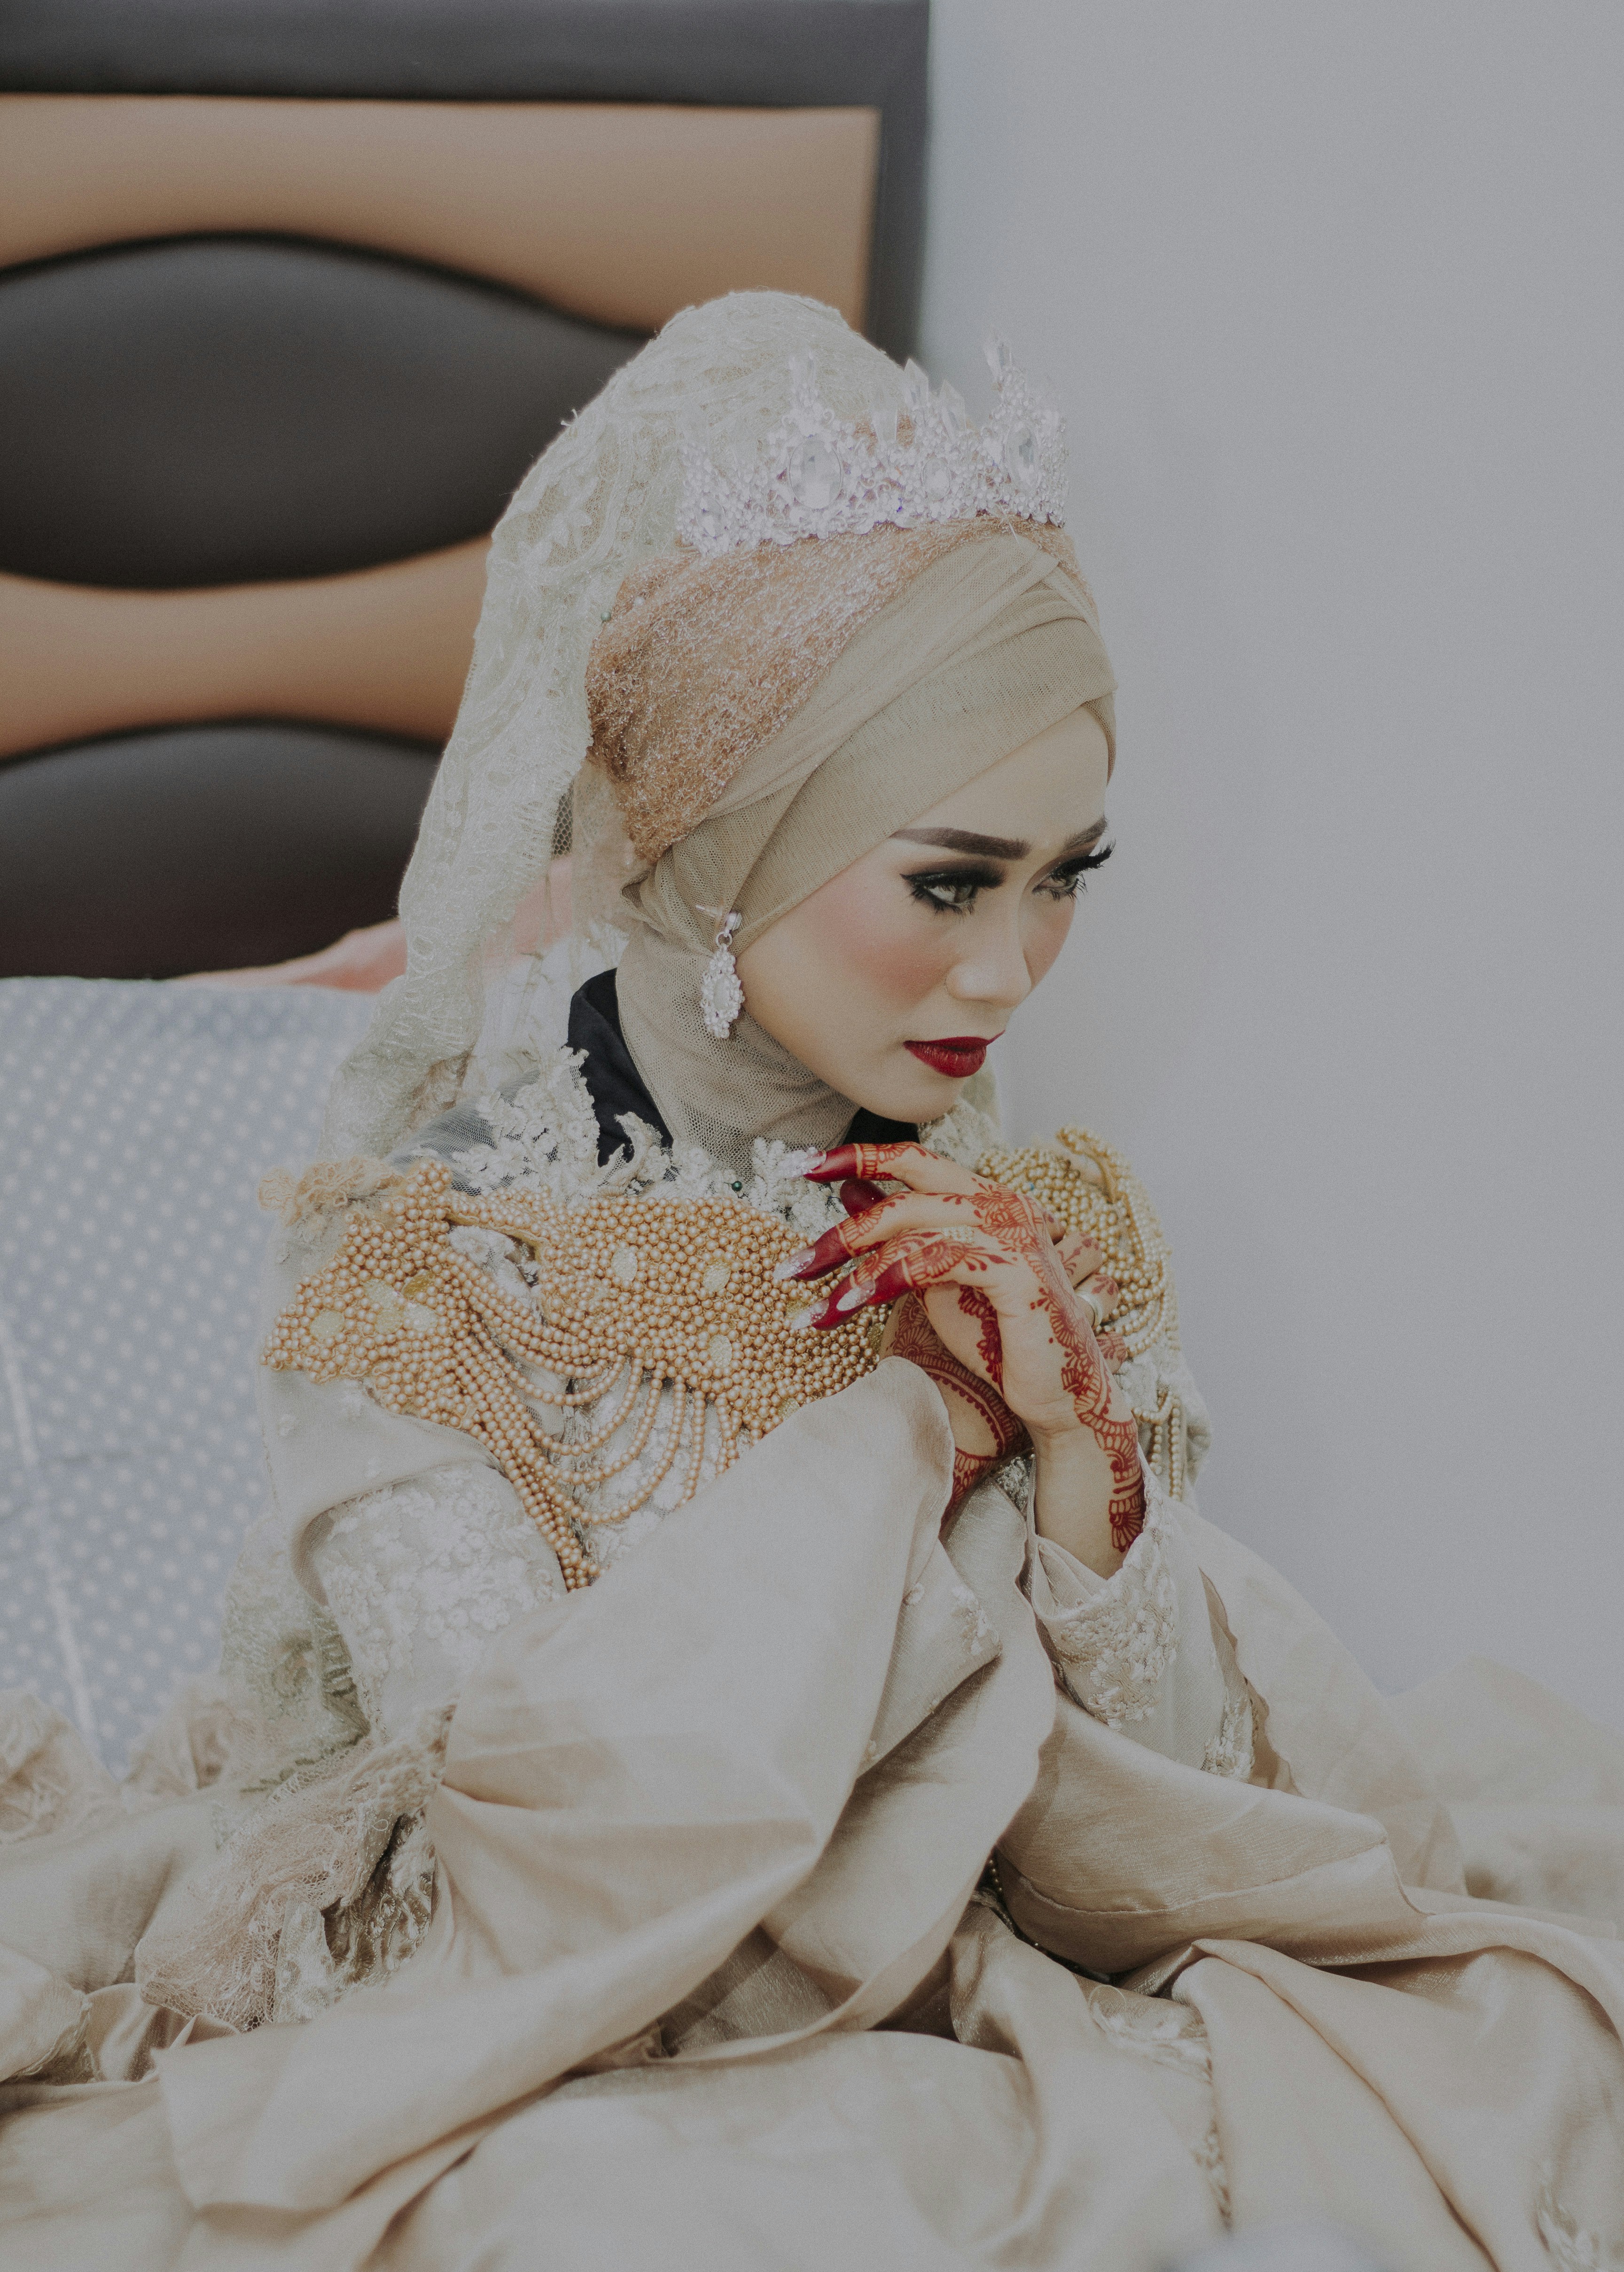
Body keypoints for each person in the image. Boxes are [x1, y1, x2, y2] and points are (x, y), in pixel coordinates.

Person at [2, 293, 1621, 2272]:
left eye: (1065, 877)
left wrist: (1080, 1462)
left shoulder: (1030, 1228)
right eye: (952, 881)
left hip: (987, 1982)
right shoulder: (426, 1267)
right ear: (723, 845)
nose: (1013, 971)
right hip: (590, 2023)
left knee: (1524, 2026)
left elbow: (1181, 1844)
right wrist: (914, 1440)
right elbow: (557, 1853)